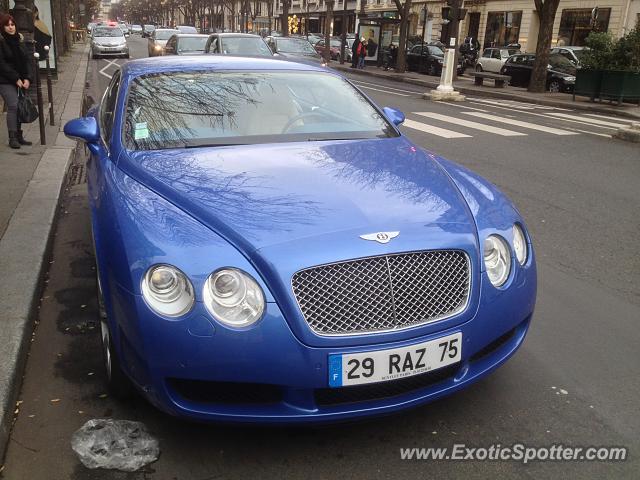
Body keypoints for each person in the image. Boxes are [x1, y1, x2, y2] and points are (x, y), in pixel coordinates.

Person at [0, 13, 33, 149]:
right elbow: (1, 64)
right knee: (13, 105)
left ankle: (19, 136)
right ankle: (12, 137)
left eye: (12, 24)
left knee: (19, 107)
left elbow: (27, 61)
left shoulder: (19, 40)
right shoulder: (1, 41)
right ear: (2, 27)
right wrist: (15, 78)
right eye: (7, 25)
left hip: (20, 80)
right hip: (5, 80)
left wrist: (27, 78)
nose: (10, 27)